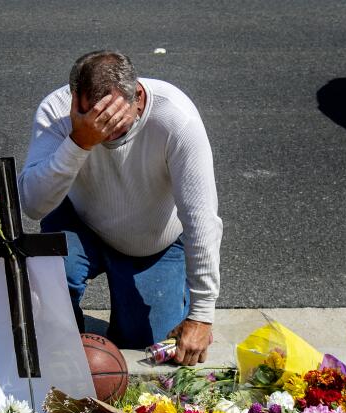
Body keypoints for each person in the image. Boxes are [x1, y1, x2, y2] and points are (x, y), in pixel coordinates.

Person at [18, 50, 222, 364]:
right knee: (49, 283)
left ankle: (149, 299)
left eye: (116, 124)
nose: (104, 133)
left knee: (144, 343)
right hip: (82, 221)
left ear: (137, 96)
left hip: (153, 240)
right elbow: (32, 204)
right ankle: (62, 347)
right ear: (76, 102)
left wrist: (202, 315)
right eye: (94, 121)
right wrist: (79, 142)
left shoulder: (177, 118)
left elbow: (201, 219)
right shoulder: (57, 111)